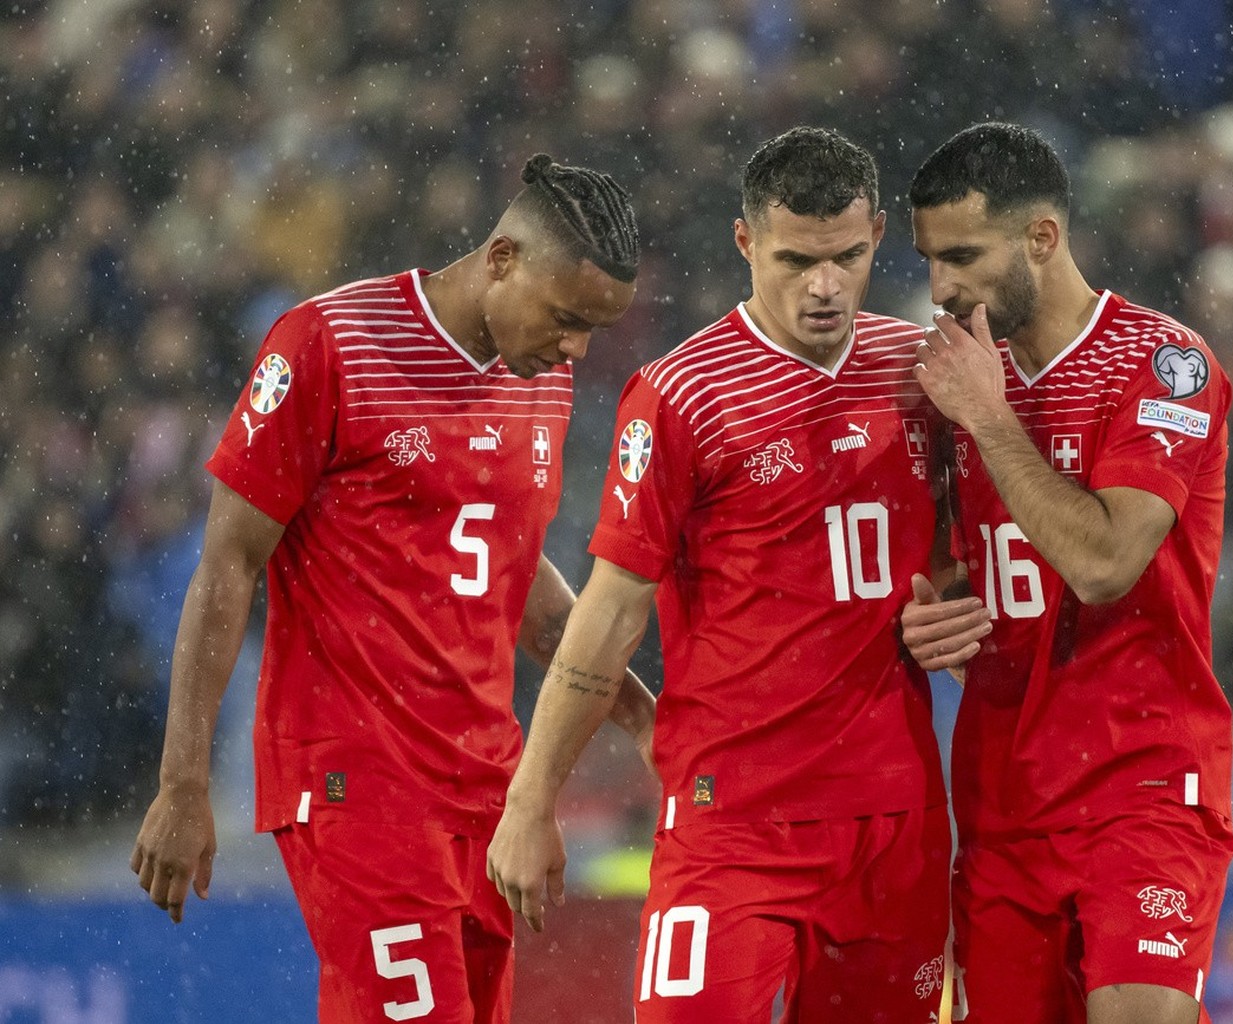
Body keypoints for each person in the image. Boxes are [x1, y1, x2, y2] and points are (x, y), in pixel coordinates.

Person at [130, 155, 656, 1024]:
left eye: (592, 331)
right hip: (354, 779)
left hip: (487, 785)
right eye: (566, 319)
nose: (576, 350)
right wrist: (182, 782)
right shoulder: (330, 343)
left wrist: (636, 718)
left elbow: (513, 574)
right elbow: (228, 562)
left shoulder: (544, 379)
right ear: (501, 259)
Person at [486, 126, 953, 1023]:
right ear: (745, 243)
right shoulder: (681, 396)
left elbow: (964, 562)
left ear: (880, 237)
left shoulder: (919, 374)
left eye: (847, 257)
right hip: (732, 820)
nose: (823, 286)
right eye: (794, 260)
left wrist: (953, 605)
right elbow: (610, 614)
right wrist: (532, 795)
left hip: (894, 825)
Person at [900, 122, 1233, 1024]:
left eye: (964, 256)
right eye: (931, 260)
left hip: (1144, 784)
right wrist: (931, 619)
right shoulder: (948, 387)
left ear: (1041, 238)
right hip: (1003, 799)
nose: (942, 288)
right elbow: (945, 577)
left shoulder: (1166, 366)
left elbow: (1100, 564)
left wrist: (990, 418)